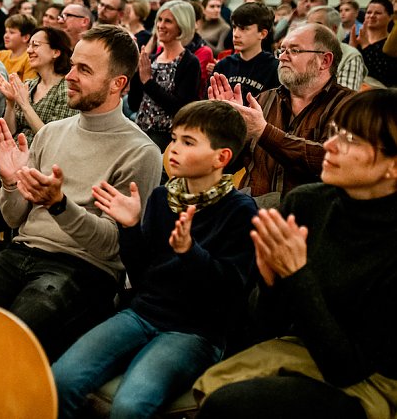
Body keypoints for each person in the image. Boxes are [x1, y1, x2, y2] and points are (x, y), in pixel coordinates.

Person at [0, 25, 163, 360]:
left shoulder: (140, 151)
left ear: (118, 85)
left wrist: (60, 205)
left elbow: (113, 248)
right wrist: (9, 181)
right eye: (73, 65)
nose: (70, 77)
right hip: (21, 252)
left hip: (83, 269)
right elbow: (15, 217)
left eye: (85, 70)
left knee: (6, 346)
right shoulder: (50, 133)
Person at [197, 89, 397, 419]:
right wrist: (270, 280)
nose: (329, 146)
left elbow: (347, 370)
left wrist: (295, 275)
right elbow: (263, 324)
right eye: (335, 133)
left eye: (350, 140)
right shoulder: (308, 202)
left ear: (392, 165)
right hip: (300, 350)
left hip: (370, 379)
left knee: (229, 405)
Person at [53, 100, 257, 419]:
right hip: (143, 313)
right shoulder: (163, 197)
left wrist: (191, 253)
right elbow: (143, 274)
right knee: (60, 380)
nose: (173, 148)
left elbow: (231, 290)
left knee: (130, 406)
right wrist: (130, 227)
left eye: (188, 142)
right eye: (174, 138)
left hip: (196, 332)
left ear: (222, 157)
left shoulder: (240, 212)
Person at [209, 23, 353, 206]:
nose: (283, 57)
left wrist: (263, 131)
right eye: (281, 50)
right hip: (252, 208)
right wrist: (231, 128)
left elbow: (327, 160)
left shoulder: (349, 106)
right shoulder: (264, 99)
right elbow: (229, 164)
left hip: (309, 215)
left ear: (324, 61)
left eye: (294, 51)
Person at [128, 0, 201, 151]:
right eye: (159, 20)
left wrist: (148, 82)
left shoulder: (189, 62)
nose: (161, 25)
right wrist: (136, 73)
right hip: (140, 130)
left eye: (168, 21)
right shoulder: (151, 61)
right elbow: (134, 104)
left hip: (167, 137)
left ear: (182, 26)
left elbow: (181, 108)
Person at [0, 26, 76, 146]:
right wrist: (10, 102)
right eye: (29, 46)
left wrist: (24, 105)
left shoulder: (66, 89)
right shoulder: (29, 85)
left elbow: (52, 140)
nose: (29, 51)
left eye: (35, 45)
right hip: (15, 153)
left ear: (56, 52)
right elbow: (10, 133)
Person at [212, 2, 279, 100]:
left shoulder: (274, 68)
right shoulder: (224, 65)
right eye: (234, 27)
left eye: (243, 29)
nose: (236, 34)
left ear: (262, 34)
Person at [307, 6, 367, 90]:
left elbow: (346, 96)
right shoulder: (298, 52)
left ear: (333, 29)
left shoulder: (350, 56)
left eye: (317, 25)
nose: (309, 30)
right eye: (308, 25)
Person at [349, 0, 396, 87]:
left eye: (378, 13)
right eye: (369, 12)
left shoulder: (392, 44)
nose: (371, 16)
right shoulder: (353, 39)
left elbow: (385, 75)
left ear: (390, 17)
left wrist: (366, 46)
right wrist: (351, 49)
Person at [0, 14, 38, 82]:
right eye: (6, 32)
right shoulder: (1, 54)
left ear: (25, 37)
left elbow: (27, 88)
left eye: (11, 32)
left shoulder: (30, 59)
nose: (6, 36)